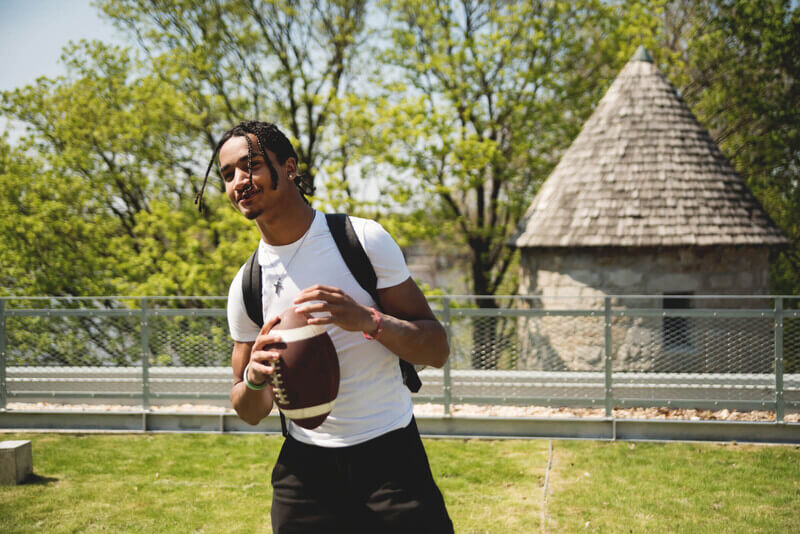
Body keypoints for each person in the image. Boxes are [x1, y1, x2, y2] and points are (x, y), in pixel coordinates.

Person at [197, 120, 453, 533]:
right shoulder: (247, 286)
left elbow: (437, 349)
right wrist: (256, 378)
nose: (239, 182)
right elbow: (248, 409)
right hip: (305, 474)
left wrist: (369, 320)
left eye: (251, 166)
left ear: (291, 168)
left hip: (390, 458)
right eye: (228, 175)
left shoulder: (362, 240)